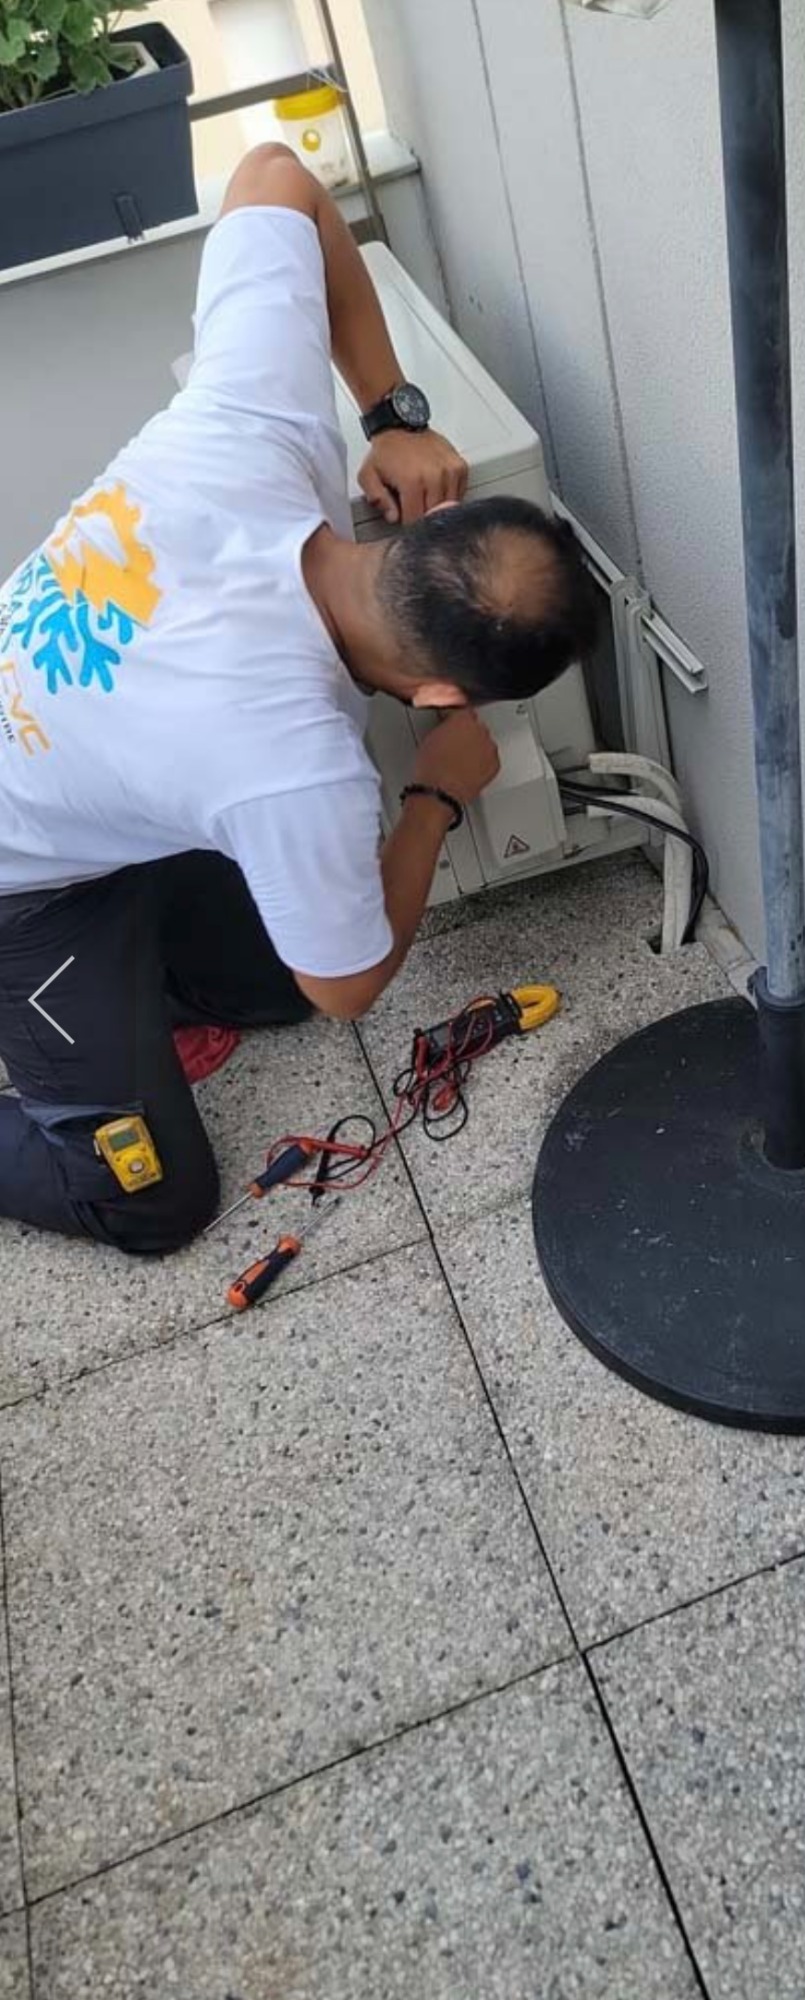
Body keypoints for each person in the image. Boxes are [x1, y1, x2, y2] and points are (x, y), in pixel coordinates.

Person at [0, 143, 597, 1256]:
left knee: (268, 976)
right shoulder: (289, 759)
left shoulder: (253, 425)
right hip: (19, 896)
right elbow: (349, 985)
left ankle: (123, 988)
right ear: (437, 692)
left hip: (75, 781)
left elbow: (276, 173)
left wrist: (392, 415)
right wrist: (435, 796)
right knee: (149, 1198)